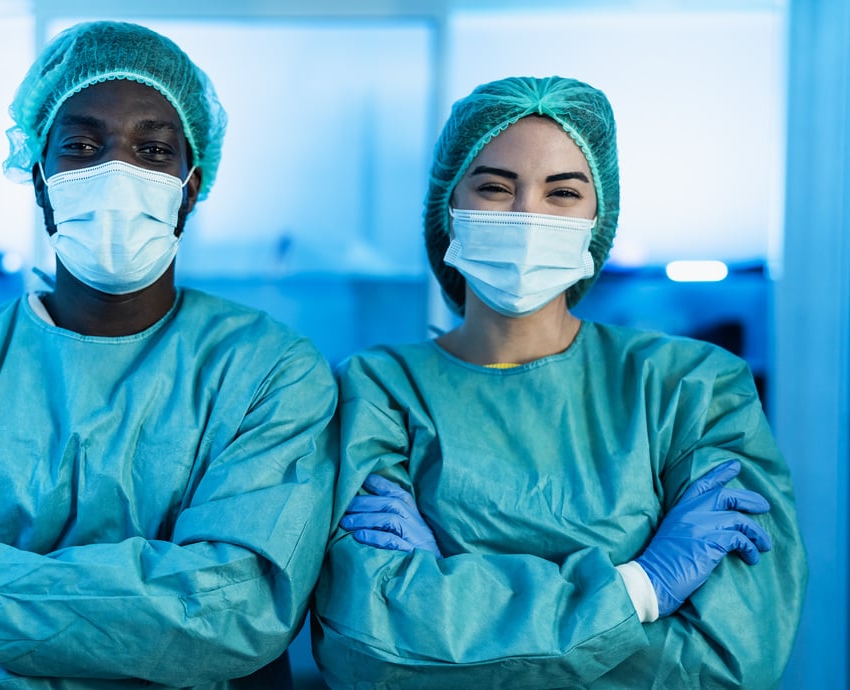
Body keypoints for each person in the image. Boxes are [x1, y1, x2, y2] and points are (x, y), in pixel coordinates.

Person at [0, 21, 337, 689]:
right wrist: (153, 642)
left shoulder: (269, 371)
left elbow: (238, 607)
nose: (117, 173)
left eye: (153, 150)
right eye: (82, 146)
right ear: (41, 180)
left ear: (191, 183)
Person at [311, 76, 806, 688]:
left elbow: (731, 657)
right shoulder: (380, 389)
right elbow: (366, 646)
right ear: (448, 208)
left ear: (599, 217)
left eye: (562, 193)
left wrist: (442, 601)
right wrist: (645, 587)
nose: (527, 215)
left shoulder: (692, 389)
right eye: (494, 187)